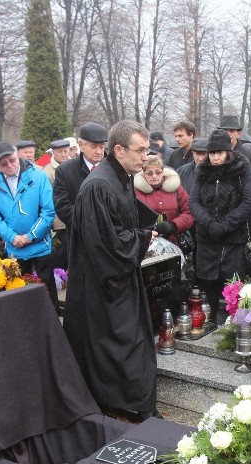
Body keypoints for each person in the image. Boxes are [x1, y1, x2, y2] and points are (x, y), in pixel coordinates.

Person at [63, 120, 159, 421]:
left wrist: (146, 227)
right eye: (140, 150)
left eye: (147, 150)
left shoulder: (122, 176)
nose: (146, 157)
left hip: (118, 277)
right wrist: (144, 238)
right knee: (115, 344)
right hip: (103, 284)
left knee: (130, 341)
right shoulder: (98, 187)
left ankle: (132, 403)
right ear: (119, 150)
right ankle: (116, 404)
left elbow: (122, 221)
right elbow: (106, 245)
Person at [189, 129, 251, 317]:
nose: (215, 157)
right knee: (208, 283)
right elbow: (193, 201)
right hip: (207, 236)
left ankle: (232, 325)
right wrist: (210, 224)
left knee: (233, 286)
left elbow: (249, 200)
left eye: (219, 152)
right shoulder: (202, 169)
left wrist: (226, 225)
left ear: (228, 152)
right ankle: (208, 320)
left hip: (234, 237)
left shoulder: (241, 167)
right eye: (212, 153)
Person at [0, 142, 57, 309]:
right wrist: (11, 236)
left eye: (12, 160)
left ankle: (52, 324)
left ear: (17, 155)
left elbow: (47, 211)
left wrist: (30, 236)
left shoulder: (38, 176)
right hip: (14, 246)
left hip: (40, 245)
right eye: (4, 164)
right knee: (18, 292)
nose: (10, 166)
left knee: (46, 290)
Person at [53, 122, 108, 268]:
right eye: (93, 146)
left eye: (101, 147)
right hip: (80, 241)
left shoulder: (112, 169)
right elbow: (63, 207)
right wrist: (90, 223)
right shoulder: (65, 171)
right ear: (81, 145)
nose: (98, 151)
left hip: (110, 240)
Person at [133, 155, 194, 248]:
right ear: (143, 173)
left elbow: (189, 212)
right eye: (149, 173)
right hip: (146, 243)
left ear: (163, 172)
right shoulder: (135, 191)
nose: (154, 176)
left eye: (158, 172)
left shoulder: (176, 189)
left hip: (174, 241)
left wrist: (173, 226)